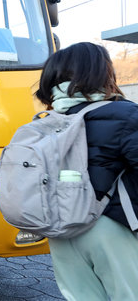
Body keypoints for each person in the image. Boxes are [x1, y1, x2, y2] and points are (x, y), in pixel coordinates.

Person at [35, 42, 138, 300]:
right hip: (112, 227)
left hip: (60, 229)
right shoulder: (125, 114)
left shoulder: (45, 123)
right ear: (100, 73)